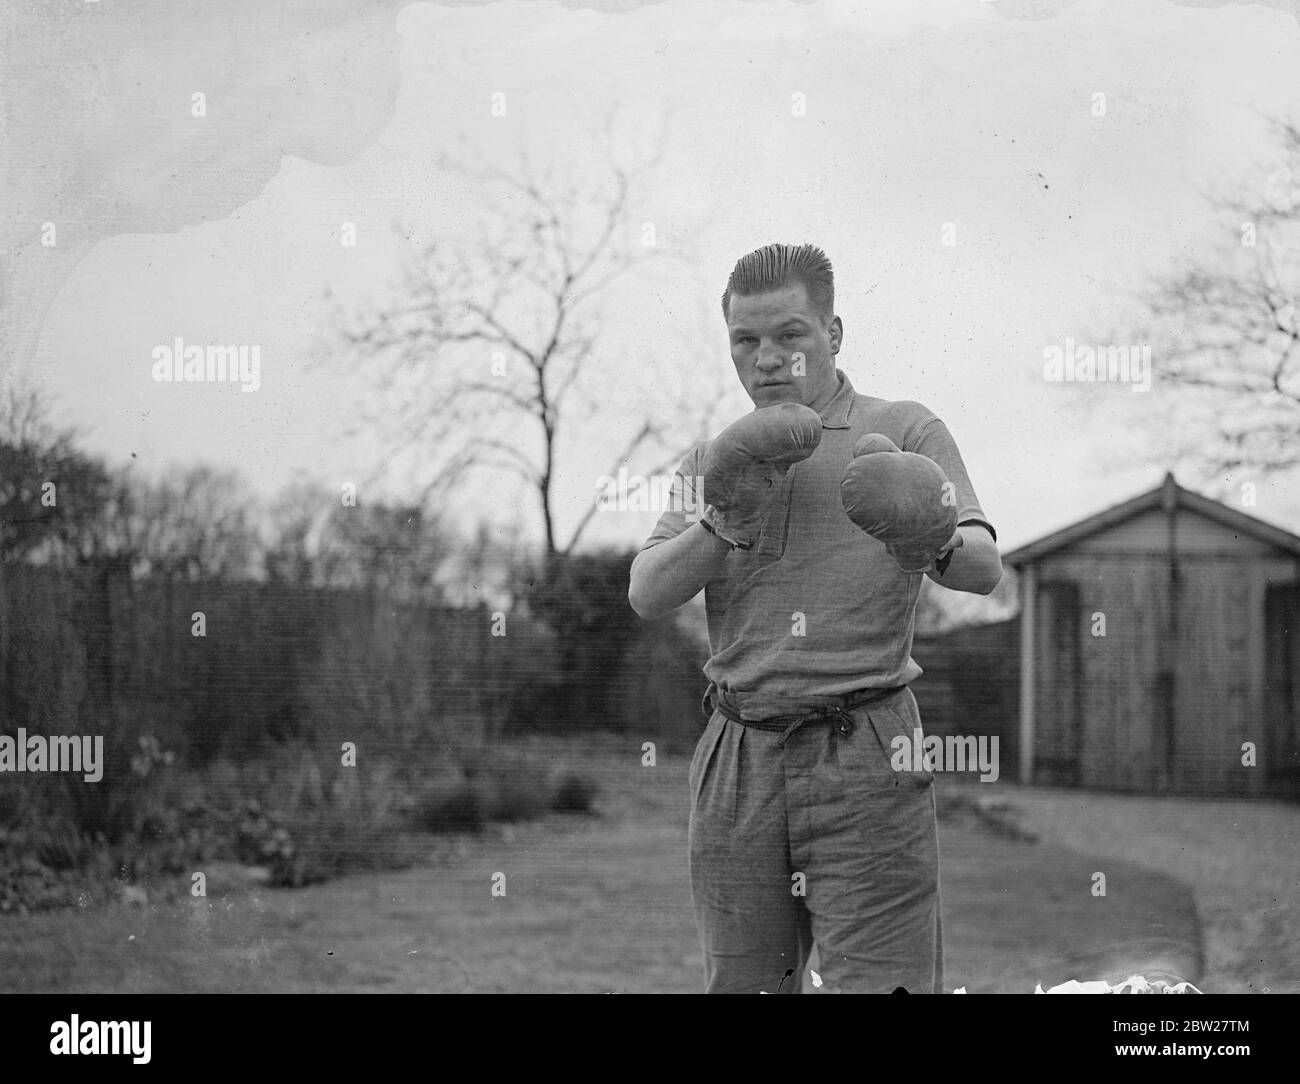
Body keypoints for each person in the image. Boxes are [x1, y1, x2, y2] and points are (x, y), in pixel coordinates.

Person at [628, 242, 1001, 994]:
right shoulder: (715, 461)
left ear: (833, 334)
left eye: (789, 334)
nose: (767, 358)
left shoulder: (905, 427)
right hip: (739, 751)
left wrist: (927, 531)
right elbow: (646, 591)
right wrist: (722, 523)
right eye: (746, 339)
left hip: (866, 745)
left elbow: (984, 568)